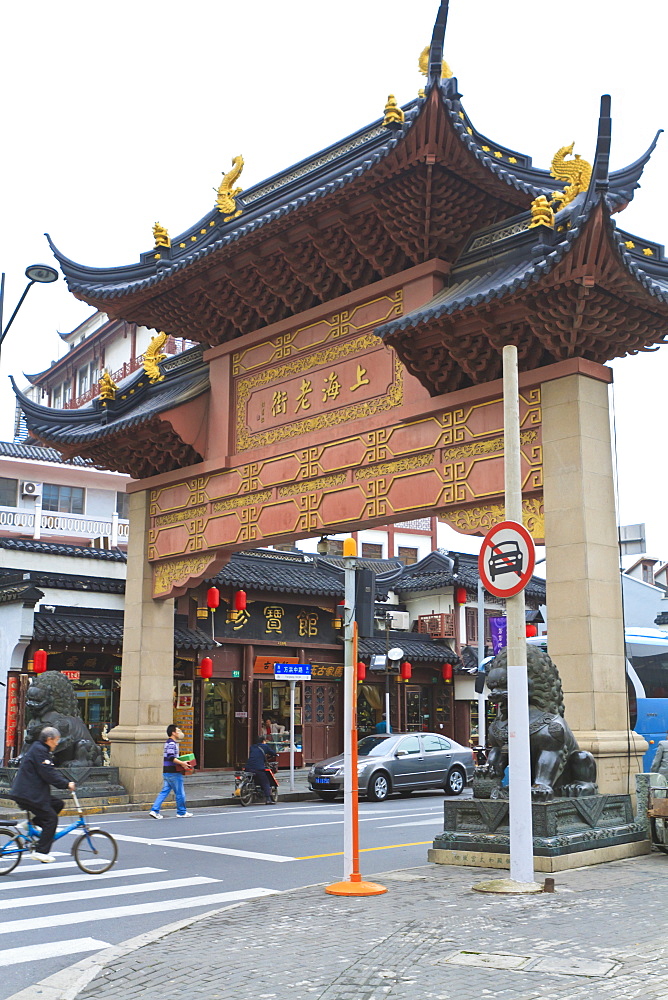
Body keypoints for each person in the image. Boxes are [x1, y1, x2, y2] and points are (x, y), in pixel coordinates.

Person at [11, 725, 76, 863]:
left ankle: (31, 823)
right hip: (28, 794)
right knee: (51, 819)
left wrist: (63, 781)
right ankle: (40, 851)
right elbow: (48, 773)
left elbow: (49, 770)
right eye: (56, 740)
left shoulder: (40, 749)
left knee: (58, 804)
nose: (57, 743)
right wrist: (66, 784)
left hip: (32, 792)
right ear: (49, 739)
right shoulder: (40, 751)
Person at [149, 725, 193, 819]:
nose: (179, 732)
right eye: (178, 730)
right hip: (173, 772)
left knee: (164, 791)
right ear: (173, 733)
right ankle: (181, 812)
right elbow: (171, 757)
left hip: (167, 771)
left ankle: (154, 810)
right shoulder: (172, 743)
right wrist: (182, 763)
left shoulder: (168, 742)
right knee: (180, 792)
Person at [245, 734, 277, 804]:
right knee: (265, 782)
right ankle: (268, 799)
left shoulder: (252, 747)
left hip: (248, 767)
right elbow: (272, 753)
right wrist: (275, 754)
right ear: (263, 741)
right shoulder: (265, 746)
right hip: (258, 768)